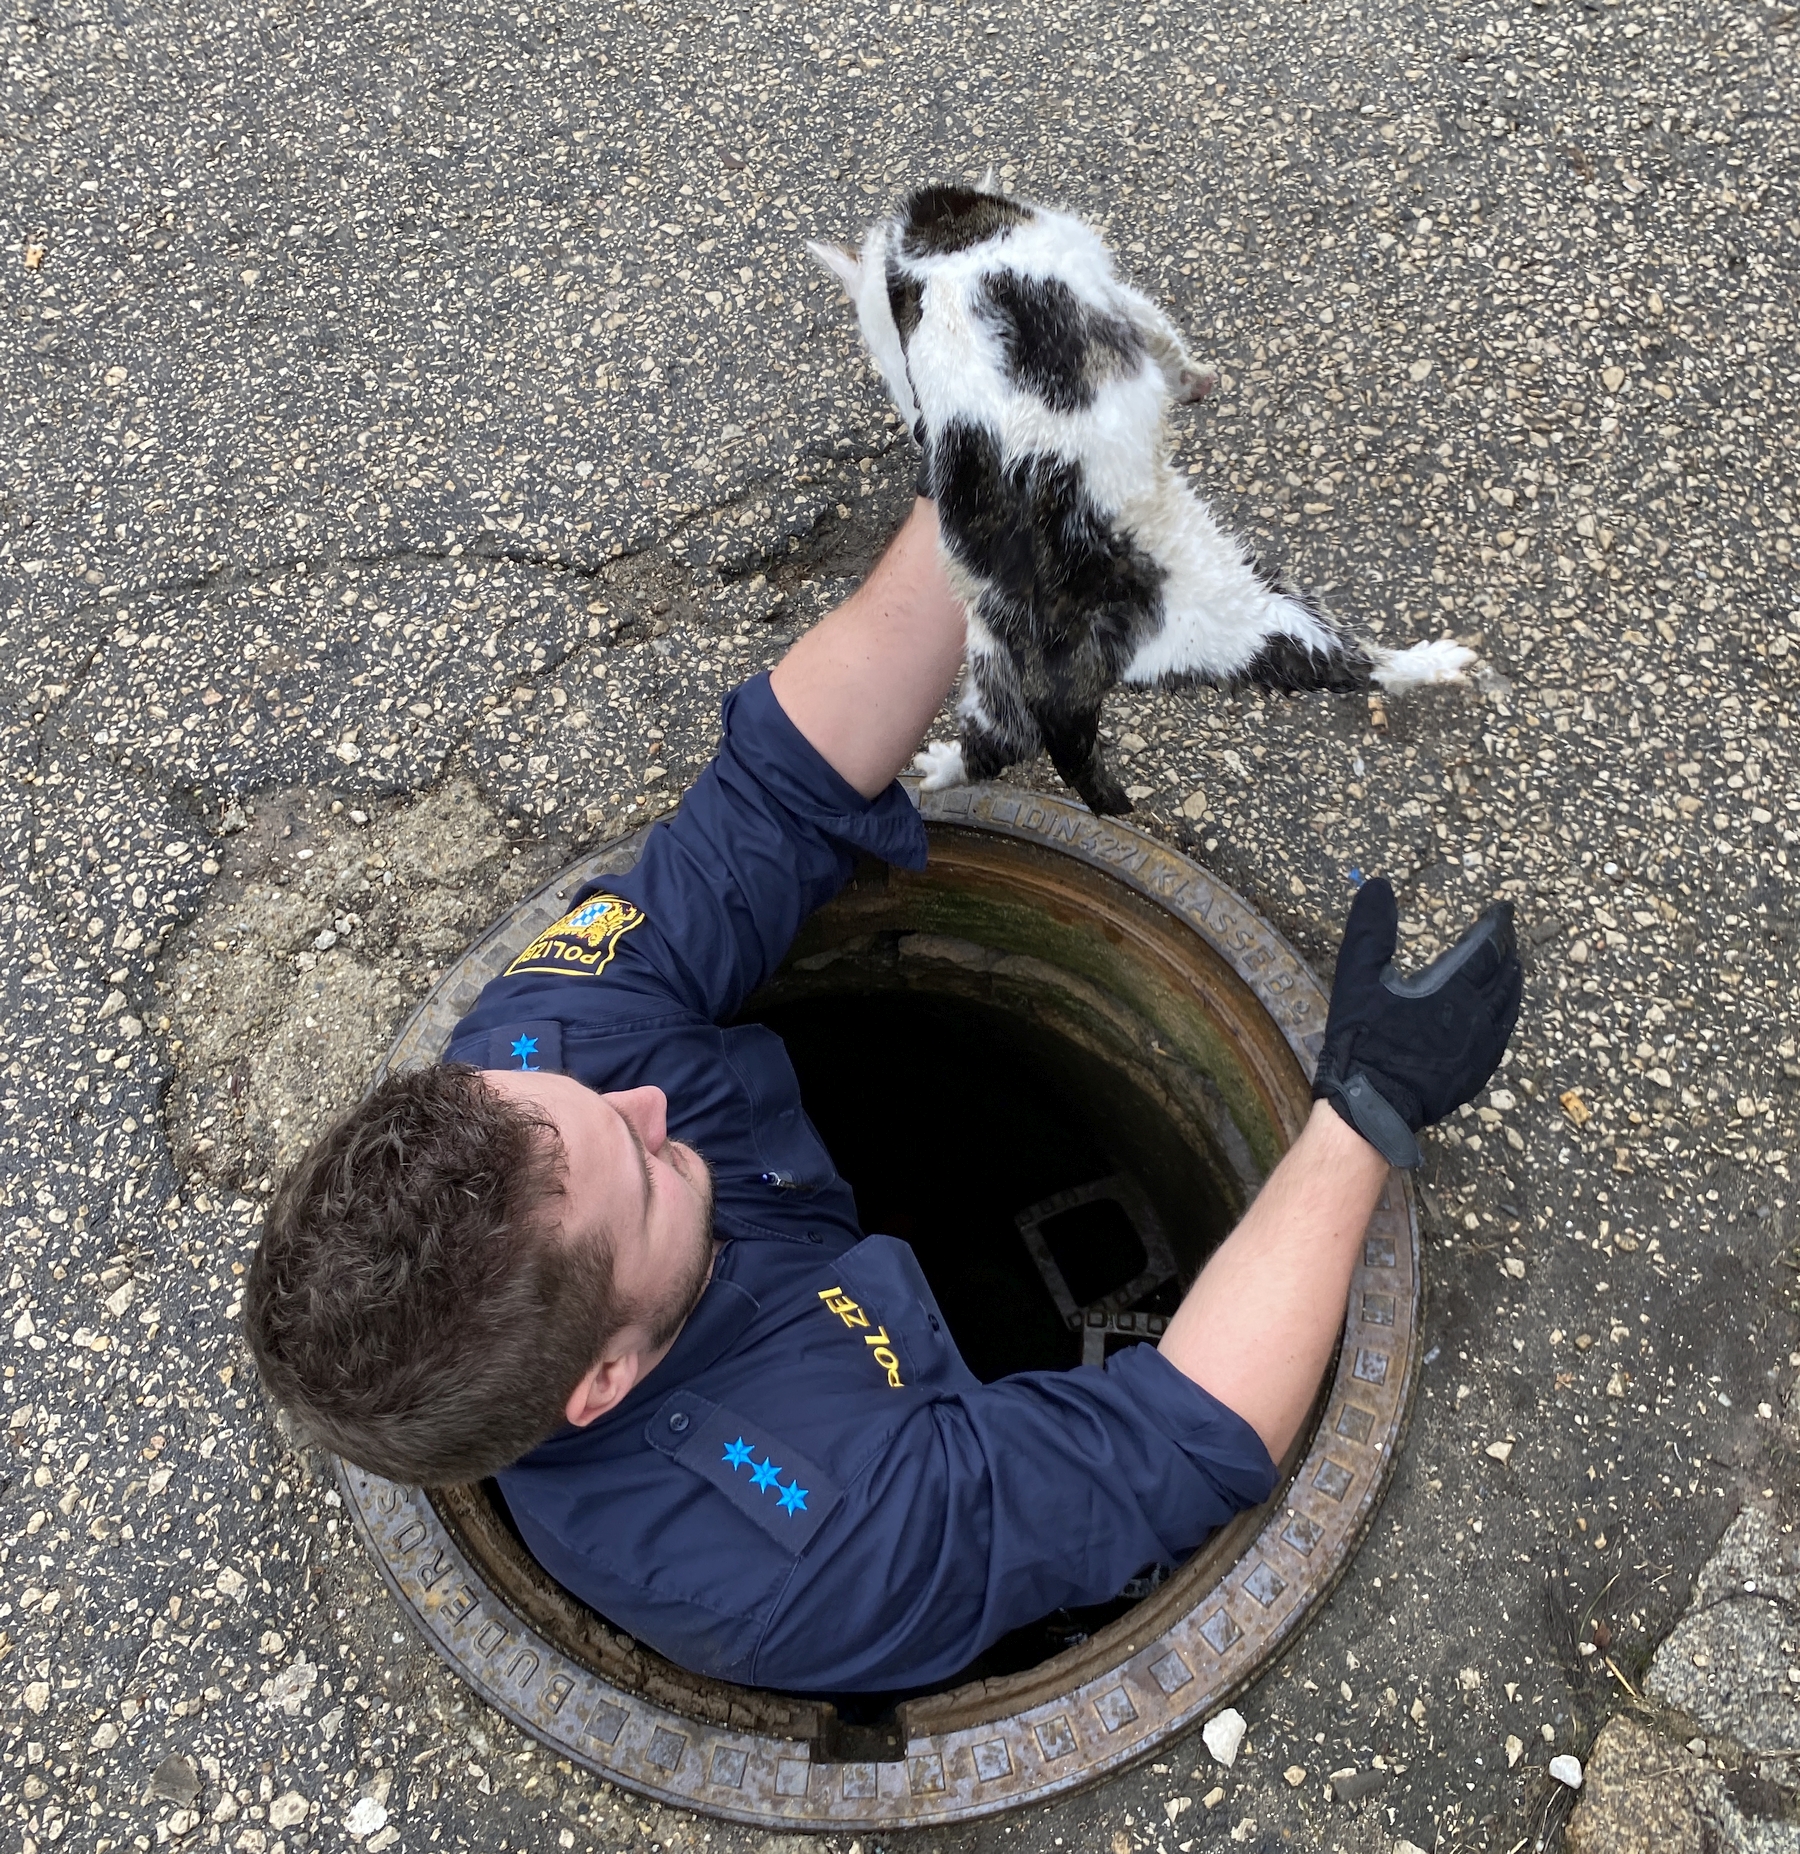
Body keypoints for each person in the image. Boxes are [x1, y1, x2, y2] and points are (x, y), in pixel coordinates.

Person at [246, 496, 1521, 1695]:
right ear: (605, 1380)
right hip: (904, 1525)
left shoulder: (540, 1062)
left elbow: (774, 792)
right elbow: (1178, 1444)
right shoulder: (793, 1550)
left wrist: (980, 481)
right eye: (640, 1172)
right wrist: (1361, 1113)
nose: (642, 1107)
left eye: (574, 1097)